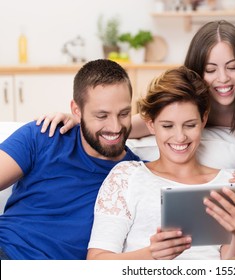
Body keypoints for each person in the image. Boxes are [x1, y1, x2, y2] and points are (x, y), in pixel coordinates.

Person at [37, 20, 235, 156]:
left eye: (232, 68)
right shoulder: (186, 106)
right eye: (210, 69)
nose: (222, 79)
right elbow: (129, 124)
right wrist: (77, 117)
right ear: (197, 71)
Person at [86, 66, 235, 260]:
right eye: (167, 126)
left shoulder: (229, 181)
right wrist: (151, 254)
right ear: (150, 124)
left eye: (190, 125)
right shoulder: (126, 177)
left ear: (203, 120)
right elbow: (96, 262)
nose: (180, 137)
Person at [0, 59, 140, 259]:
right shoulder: (43, 135)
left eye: (124, 113)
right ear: (77, 111)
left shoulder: (135, 174)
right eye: (102, 116)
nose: (116, 127)